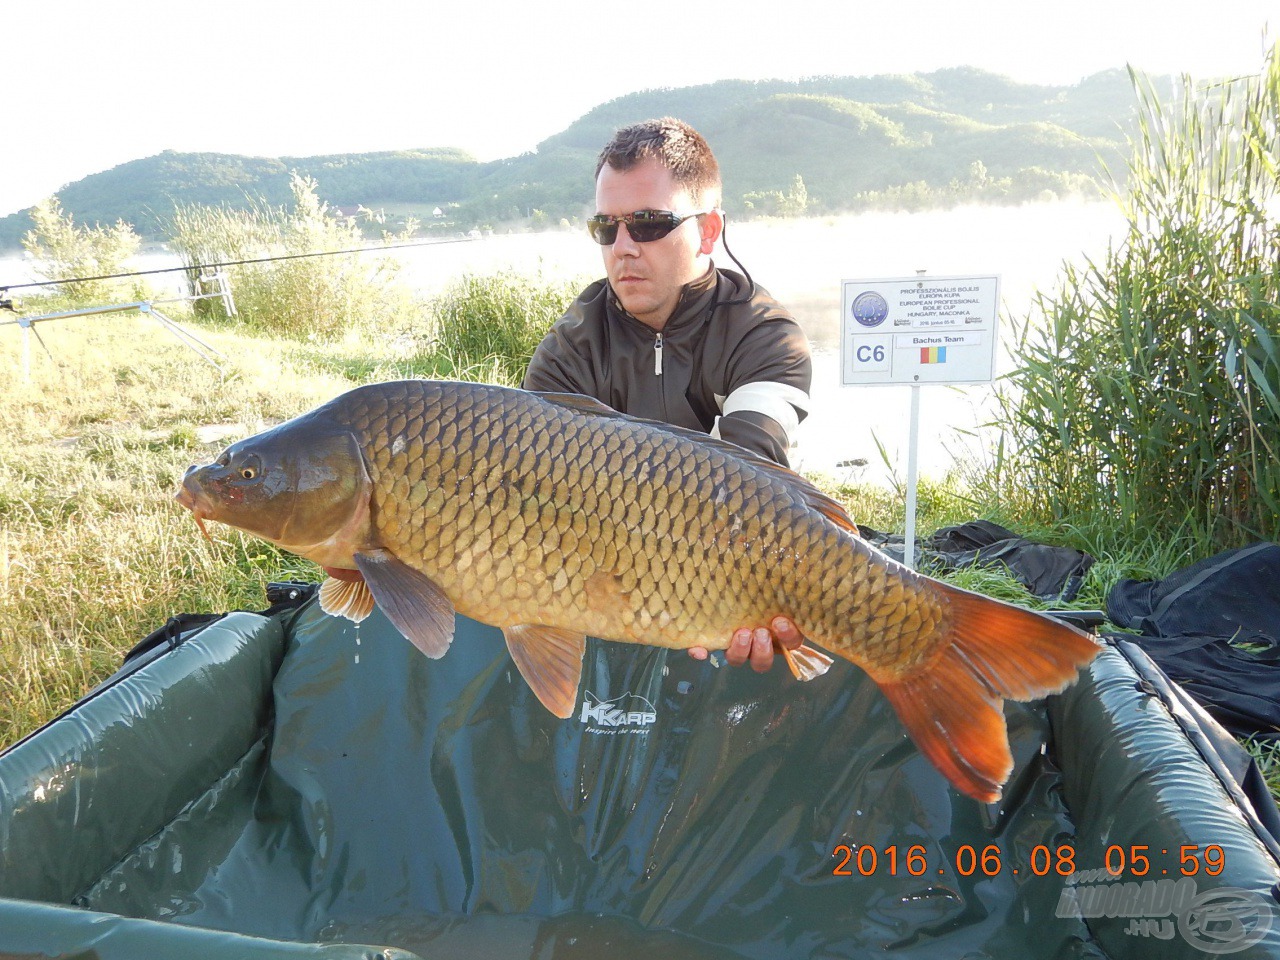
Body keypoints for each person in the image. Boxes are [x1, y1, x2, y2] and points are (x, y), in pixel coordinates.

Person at [523, 117, 812, 673]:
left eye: (649, 224)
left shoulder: (765, 336)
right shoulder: (572, 346)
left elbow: (749, 484)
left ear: (707, 232)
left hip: (739, 558)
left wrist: (699, 600)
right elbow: (540, 502)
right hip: (598, 571)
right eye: (606, 228)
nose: (623, 248)